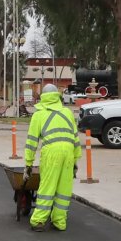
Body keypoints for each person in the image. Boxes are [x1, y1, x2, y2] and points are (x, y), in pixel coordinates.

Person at [23, 83, 82, 232]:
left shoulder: (38, 115)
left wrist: (28, 164)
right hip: (68, 152)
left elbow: (31, 142)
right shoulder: (67, 113)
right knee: (64, 189)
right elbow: (75, 138)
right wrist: (74, 161)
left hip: (52, 152)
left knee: (47, 187)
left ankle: (38, 221)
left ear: (43, 97)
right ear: (57, 96)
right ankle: (59, 221)